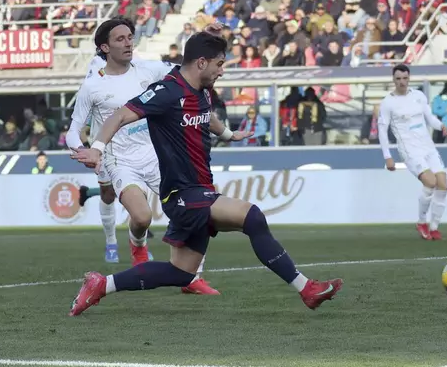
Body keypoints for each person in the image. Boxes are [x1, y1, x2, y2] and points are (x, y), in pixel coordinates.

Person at [68, 31, 343, 316]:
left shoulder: (199, 90)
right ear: (201, 62)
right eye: (219, 64)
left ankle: (102, 284)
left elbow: (203, 115)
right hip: (183, 194)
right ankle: (306, 289)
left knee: (181, 273)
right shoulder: (166, 91)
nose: (222, 71)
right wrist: (97, 148)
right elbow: (120, 115)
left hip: (197, 189)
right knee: (252, 217)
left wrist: (228, 133)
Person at [66, 17, 219, 294]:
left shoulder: (149, 70)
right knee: (142, 217)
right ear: (104, 47)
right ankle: (137, 246)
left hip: (157, 155)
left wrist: (205, 43)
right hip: (119, 160)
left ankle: (193, 277)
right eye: (120, 39)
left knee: (196, 210)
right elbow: (73, 129)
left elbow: (188, 69)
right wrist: (83, 151)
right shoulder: (92, 86)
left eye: (130, 37)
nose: (128, 43)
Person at [378, 64, 447, 241]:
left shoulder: (418, 96)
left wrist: (440, 125)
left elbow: (429, 118)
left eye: (405, 78)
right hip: (409, 149)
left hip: (428, 146)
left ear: (409, 78)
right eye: (398, 79)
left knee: (443, 185)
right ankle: (421, 222)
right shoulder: (388, 102)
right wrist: (388, 156)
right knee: (430, 181)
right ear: (393, 80)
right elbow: (382, 130)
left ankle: (434, 228)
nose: (402, 82)